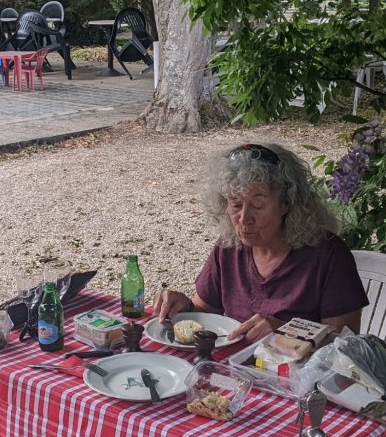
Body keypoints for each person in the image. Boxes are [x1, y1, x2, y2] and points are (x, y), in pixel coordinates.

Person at [154, 143, 369, 343]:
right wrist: (183, 308)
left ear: (286, 203)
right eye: (235, 204)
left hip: (296, 370)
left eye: (257, 205)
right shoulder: (229, 246)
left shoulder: (328, 255)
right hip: (232, 366)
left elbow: (345, 345)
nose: (244, 218)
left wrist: (286, 333)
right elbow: (205, 313)